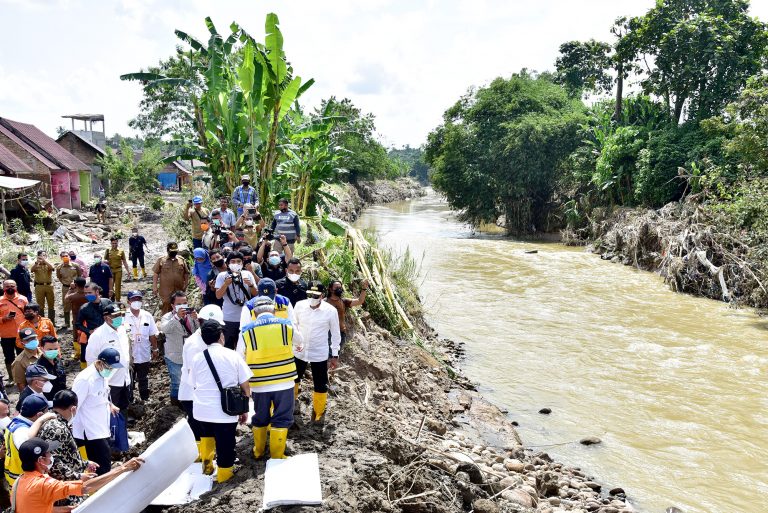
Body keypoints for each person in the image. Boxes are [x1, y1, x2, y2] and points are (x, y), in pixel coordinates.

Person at [238, 296, 302, 460]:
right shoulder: (285, 325)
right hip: (284, 381)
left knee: (260, 416)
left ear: (255, 312)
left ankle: (258, 451)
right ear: (273, 309)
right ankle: (277, 455)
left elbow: (239, 356)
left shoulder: (246, 330)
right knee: (282, 417)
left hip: (259, 383)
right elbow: (300, 341)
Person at [13, 437, 143, 513]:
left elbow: (38, 507)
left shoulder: (19, 482)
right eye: (49, 454)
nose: (52, 456)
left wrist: (67, 509)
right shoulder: (44, 484)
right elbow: (85, 488)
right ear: (41, 460)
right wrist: (123, 468)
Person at [191, 319, 250, 482]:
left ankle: (207, 466)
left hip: (202, 410)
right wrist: (244, 409)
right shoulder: (232, 355)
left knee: (207, 436)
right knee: (225, 444)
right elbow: (245, 385)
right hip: (225, 410)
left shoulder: (197, 358)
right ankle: (224, 476)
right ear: (221, 336)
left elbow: (193, 383)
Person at [37, 390, 98, 508]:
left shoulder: (51, 422)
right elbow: (52, 461)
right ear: (73, 408)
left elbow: (64, 454)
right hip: (65, 489)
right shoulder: (57, 429)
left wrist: (84, 463)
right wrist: (78, 476)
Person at [179, 305, 223, 462]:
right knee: (200, 428)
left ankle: (205, 457)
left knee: (205, 427)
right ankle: (203, 459)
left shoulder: (206, 340)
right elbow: (194, 374)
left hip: (201, 392)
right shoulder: (194, 344)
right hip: (192, 393)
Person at [293, 281, 341, 422]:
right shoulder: (299, 306)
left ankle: (318, 412)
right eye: (309, 294)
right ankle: (291, 405)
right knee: (293, 379)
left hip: (319, 353)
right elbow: (294, 326)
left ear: (322, 296)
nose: (312, 298)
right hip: (299, 351)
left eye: (316, 295)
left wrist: (335, 355)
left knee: (320, 383)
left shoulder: (330, 311)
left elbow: (336, 334)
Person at [72, 347, 123, 476]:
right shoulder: (85, 379)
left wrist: (110, 405)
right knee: (100, 466)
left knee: (104, 462)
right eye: (109, 368)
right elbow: (73, 406)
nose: (111, 371)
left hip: (102, 426)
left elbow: (101, 396)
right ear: (100, 363)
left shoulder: (103, 374)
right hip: (90, 431)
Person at [85, 303, 131, 412]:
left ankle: (122, 428)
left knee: (123, 409)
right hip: (109, 382)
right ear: (106, 318)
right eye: (115, 316)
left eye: (120, 315)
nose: (119, 318)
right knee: (108, 412)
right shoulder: (98, 335)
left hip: (125, 379)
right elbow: (91, 360)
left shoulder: (122, 330)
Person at [4, 395, 55, 486]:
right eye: (47, 411)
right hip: (22, 481)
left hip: (17, 477)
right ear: (39, 414)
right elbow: (34, 456)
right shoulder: (22, 432)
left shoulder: (16, 422)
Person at [159, 292, 199, 403]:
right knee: (177, 381)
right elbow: (165, 329)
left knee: (192, 380)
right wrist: (176, 317)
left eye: (185, 303)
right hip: (174, 356)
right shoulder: (167, 317)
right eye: (179, 304)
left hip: (191, 355)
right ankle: (175, 402)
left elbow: (199, 332)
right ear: (173, 306)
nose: (183, 306)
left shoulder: (191, 315)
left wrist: (197, 319)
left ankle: (190, 401)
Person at [214, 252, 257, 350]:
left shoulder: (247, 274)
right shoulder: (222, 276)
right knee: (228, 347)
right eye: (233, 261)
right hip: (229, 318)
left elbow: (256, 294)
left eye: (238, 261)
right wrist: (225, 284)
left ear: (242, 263)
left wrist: (250, 285)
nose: (236, 263)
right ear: (228, 263)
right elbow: (218, 296)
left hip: (246, 317)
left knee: (245, 347)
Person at [124, 291, 159, 402]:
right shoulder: (123, 316)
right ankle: (129, 400)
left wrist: (155, 349)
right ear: (128, 301)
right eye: (134, 300)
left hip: (143, 353)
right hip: (129, 355)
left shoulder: (147, 316)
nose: (137, 302)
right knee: (129, 379)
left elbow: (152, 334)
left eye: (139, 299)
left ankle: (145, 398)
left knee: (143, 378)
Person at [326, 279, 369, 352]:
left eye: (340, 287)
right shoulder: (324, 302)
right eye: (336, 288)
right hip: (328, 333)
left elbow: (360, 301)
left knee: (335, 356)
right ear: (330, 289)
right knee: (329, 356)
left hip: (341, 333)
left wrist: (364, 288)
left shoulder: (344, 301)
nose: (339, 289)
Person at [74, 283, 108, 370]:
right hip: (93, 339)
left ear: (97, 291)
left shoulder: (107, 302)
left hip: (108, 337)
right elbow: (78, 324)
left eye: (89, 292)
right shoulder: (84, 308)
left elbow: (115, 317)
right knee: (94, 364)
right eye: (85, 293)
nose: (87, 295)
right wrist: (89, 331)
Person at [0, 280, 28, 379]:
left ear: (16, 287)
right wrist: (4, 318)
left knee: (23, 356)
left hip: (21, 334)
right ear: (3, 288)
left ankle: (23, 376)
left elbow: (29, 314)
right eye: (7, 286)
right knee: (9, 357)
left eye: (12, 286)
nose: (10, 288)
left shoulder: (23, 299)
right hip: (6, 335)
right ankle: (12, 378)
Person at [152, 242, 190, 315]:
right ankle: (166, 323)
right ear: (167, 250)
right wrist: (154, 286)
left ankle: (180, 323)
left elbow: (186, 273)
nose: (174, 253)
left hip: (179, 289)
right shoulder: (161, 260)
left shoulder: (181, 260)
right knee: (166, 305)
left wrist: (186, 284)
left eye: (175, 251)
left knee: (180, 306)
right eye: (172, 251)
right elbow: (156, 273)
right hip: (166, 290)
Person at [11, 328, 43, 392]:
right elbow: (21, 385)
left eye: (33, 338)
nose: (32, 341)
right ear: (22, 343)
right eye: (28, 340)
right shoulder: (19, 362)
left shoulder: (43, 352)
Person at [55, 252, 80, 330]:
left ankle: (77, 322)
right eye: (63, 256)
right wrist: (65, 283)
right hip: (65, 288)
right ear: (61, 258)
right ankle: (67, 323)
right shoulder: (59, 267)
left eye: (66, 256)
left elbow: (79, 275)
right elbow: (59, 277)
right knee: (66, 304)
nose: (65, 257)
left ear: (69, 257)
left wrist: (75, 282)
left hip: (76, 288)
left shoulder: (75, 265)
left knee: (77, 304)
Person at [64, 278, 88, 361]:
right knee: (86, 336)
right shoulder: (88, 295)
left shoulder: (73, 296)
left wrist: (70, 289)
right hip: (87, 319)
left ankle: (78, 353)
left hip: (77, 319)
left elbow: (66, 298)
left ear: (76, 285)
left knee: (75, 336)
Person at [30, 251, 55, 323]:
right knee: (40, 305)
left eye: (44, 255)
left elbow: (52, 268)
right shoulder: (35, 264)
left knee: (51, 304)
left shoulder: (49, 263)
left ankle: (51, 322)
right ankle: (42, 321)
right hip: (39, 286)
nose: (42, 257)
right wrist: (37, 263)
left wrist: (45, 261)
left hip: (49, 285)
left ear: (46, 256)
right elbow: (32, 270)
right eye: (40, 256)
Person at [104, 236, 131, 300]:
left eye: (115, 243)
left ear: (117, 243)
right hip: (110, 270)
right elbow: (105, 261)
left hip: (118, 270)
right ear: (111, 243)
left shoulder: (121, 251)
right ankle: (112, 298)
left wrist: (128, 271)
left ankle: (118, 300)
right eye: (113, 243)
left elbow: (124, 261)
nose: (114, 245)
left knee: (118, 286)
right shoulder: (108, 250)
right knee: (110, 286)